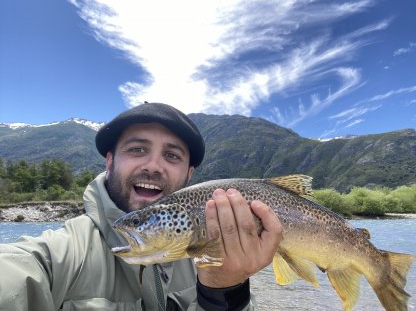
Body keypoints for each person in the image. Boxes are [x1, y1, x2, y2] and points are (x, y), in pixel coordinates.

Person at [0, 102, 282, 310]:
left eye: (171, 155)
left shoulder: (216, 247)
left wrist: (226, 289)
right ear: (109, 161)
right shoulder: (59, 255)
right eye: (137, 149)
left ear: (189, 174)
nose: (153, 166)